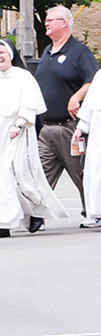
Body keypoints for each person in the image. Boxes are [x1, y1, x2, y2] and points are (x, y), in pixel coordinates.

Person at [0, 39, 67, 238]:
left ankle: (34, 211)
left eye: (2, 52)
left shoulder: (24, 78)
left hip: (19, 131)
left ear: (11, 54)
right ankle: (3, 222)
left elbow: (30, 105)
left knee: (16, 175)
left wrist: (19, 124)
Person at [35, 5, 97, 216]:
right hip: (46, 129)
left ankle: (93, 211)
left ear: (64, 23)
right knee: (39, 175)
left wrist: (76, 96)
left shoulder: (79, 52)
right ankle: (35, 216)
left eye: (50, 20)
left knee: (81, 174)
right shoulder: (46, 51)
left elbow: (94, 81)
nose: (46, 23)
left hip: (69, 129)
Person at [74, 69, 101, 228]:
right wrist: (80, 129)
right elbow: (90, 107)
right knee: (95, 170)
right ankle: (97, 212)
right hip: (98, 130)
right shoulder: (99, 75)